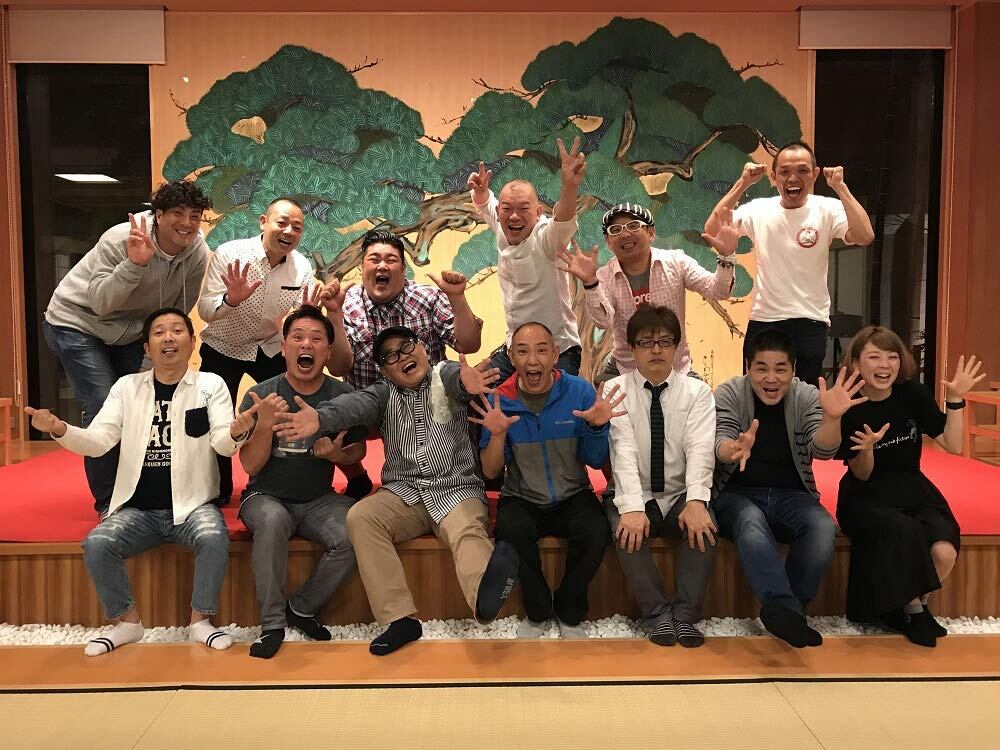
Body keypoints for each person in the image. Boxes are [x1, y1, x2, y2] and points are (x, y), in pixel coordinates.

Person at [273, 326, 519, 656]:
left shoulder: (444, 375)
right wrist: (320, 417)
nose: (401, 357)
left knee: (466, 531)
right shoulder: (383, 393)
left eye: (406, 347)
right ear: (385, 370)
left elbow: (457, 379)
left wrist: (466, 383)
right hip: (404, 494)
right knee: (362, 516)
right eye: (390, 356)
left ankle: (485, 598)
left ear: (422, 348)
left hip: (456, 489)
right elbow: (354, 404)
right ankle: (399, 619)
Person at [25, 308, 255, 657]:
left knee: (212, 536)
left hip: (193, 505)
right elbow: (99, 441)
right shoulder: (126, 388)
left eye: (177, 330)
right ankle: (127, 623)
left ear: (192, 342)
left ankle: (200, 621)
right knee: (98, 543)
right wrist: (60, 429)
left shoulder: (211, 386)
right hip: (138, 509)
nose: (168, 338)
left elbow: (223, 443)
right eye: (159, 332)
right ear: (147, 348)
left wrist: (237, 432)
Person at [42, 181, 212, 512]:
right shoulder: (121, 238)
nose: (187, 223)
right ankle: (109, 503)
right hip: (76, 322)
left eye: (195, 215)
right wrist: (134, 265)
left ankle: (137, 489)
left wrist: (157, 358)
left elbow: (177, 310)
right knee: (103, 402)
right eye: (177, 213)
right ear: (158, 215)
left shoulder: (197, 252)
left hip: (131, 330)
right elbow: (100, 303)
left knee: (140, 401)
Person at [712, 328, 863, 647]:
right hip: (735, 494)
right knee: (750, 521)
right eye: (761, 368)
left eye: (780, 369)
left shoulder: (806, 396)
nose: (771, 378)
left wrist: (832, 418)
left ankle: (790, 613)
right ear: (748, 367)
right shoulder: (729, 393)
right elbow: (719, 441)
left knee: (822, 526)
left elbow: (822, 451)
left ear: (793, 369)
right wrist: (734, 448)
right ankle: (785, 607)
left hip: (792, 494)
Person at [836, 326, 984, 647]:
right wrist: (867, 449)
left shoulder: (912, 394)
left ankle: (909, 605)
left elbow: (953, 444)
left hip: (912, 486)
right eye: (874, 357)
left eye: (892, 357)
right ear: (856, 363)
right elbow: (862, 475)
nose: (884, 365)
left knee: (944, 550)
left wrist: (955, 400)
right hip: (865, 494)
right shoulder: (849, 403)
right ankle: (914, 611)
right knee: (904, 531)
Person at [197, 197, 352, 501]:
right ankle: (217, 491)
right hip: (223, 345)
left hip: (269, 348)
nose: (289, 231)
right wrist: (231, 300)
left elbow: (293, 321)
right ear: (263, 222)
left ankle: (282, 480)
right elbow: (205, 309)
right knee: (215, 418)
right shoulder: (230, 254)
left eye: (297, 227)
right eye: (282, 223)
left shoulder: (301, 267)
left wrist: (304, 313)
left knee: (292, 404)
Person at [237, 306, 369, 658]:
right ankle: (271, 624)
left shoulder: (342, 395)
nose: (306, 344)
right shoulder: (261, 395)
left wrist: (337, 456)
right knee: (272, 520)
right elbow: (250, 465)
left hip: (318, 499)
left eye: (316, 339)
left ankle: (302, 607)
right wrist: (265, 425)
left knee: (357, 529)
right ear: (283, 348)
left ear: (328, 351)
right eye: (297, 337)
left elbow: (357, 450)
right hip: (265, 496)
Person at [476, 322, 621, 638]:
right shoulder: (500, 400)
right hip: (522, 496)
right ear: (511, 357)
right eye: (523, 351)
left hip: (573, 493)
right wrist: (498, 436)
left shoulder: (579, 392)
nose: (533, 360)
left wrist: (597, 428)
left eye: (542, 350)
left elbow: (594, 459)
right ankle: (538, 610)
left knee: (596, 531)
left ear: (555, 354)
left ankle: (569, 610)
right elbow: (490, 471)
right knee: (511, 531)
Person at [704, 140, 876, 385]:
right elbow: (712, 229)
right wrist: (743, 183)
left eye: (803, 171)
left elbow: (865, 236)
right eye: (784, 172)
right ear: (774, 177)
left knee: (805, 395)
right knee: (758, 392)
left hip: (811, 319)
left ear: (815, 174)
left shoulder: (828, 208)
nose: (793, 178)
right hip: (764, 318)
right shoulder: (759, 209)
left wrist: (840, 188)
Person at [333, 229, 484, 497]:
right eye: (374, 259)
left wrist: (457, 298)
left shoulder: (427, 298)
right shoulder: (346, 305)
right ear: (361, 267)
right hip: (371, 408)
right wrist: (333, 313)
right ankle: (357, 477)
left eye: (391, 260)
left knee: (471, 395)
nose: (382, 266)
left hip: (430, 404)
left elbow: (469, 345)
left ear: (403, 269)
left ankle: (471, 473)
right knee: (327, 406)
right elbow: (337, 368)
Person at [603, 306, 718, 647]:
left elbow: (700, 448)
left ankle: (685, 616)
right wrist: (631, 506)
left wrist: (696, 501)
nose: (656, 350)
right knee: (626, 532)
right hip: (635, 489)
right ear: (631, 348)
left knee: (705, 529)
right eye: (646, 342)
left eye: (665, 342)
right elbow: (622, 450)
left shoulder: (697, 392)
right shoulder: (614, 390)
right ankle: (657, 616)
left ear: (677, 347)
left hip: (679, 491)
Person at [558, 204, 736, 379]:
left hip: (675, 367)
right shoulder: (604, 276)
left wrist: (726, 257)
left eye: (633, 226)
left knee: (702, 395)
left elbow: (718, 292)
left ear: (650, 233)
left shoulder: (677, 262)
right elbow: (603, 321)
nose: (625, 234)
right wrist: (590, 283)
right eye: (616, 230)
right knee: (602, 394)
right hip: (626, 368)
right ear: (608, 242)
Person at [467, 137, 586, 380]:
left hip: (558, 350)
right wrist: (480, 192)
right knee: (479, 389)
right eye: (507, 209)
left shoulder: (546, 239)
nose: (514, 217)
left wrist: (569, 185)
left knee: (553, 400)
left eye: (523, 209)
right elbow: (486, 204)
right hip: (515, 348)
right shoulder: (502, 224)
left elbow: (563, 220)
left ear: (538, 212)